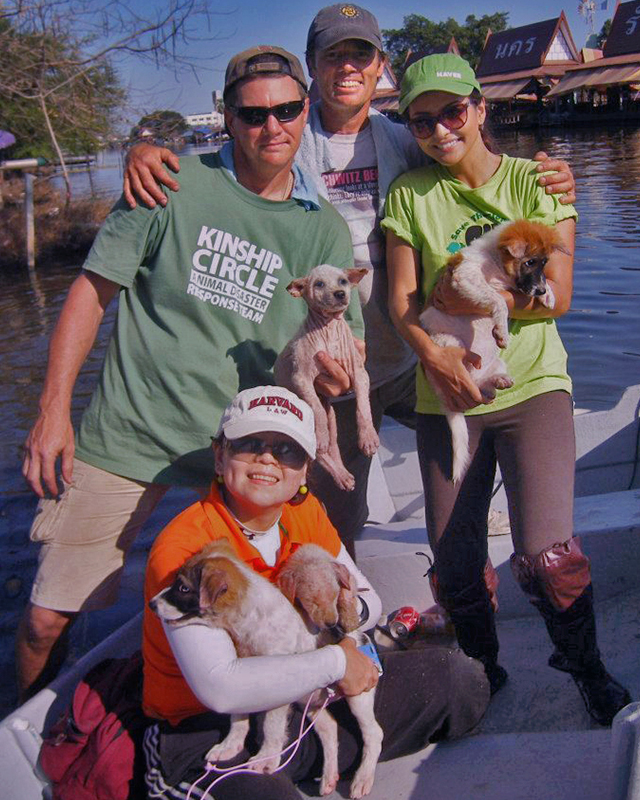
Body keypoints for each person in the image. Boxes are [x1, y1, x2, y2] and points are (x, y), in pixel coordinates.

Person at [122, 3, 578, 559]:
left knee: (479, 432)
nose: (347, 67)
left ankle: (488, 540)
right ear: (313, 66)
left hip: (414, 353)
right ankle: (347, 619)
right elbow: (224, 169)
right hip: (336, 364)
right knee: (337, 509)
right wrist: (144, 151)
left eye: (360, 54)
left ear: (378, 64)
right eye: (332, 55)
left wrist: (547, 174)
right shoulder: (285, 131)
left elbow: (467, 167)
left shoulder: (402, 139)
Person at [16, 46, 364, 701]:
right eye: (253, 114)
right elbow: (92, 291)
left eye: (288, 109)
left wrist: (337, 378)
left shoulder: (323, 232)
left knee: (271, 603)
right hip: (131, 432)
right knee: (42, 619)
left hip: (243, 453)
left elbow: (343, 355)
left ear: (305, 109)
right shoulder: (167, 182)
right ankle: (41, 742)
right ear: (227, 117)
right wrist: (52, 409)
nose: (273, 127)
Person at [381, 52, 632, 725]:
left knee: (547, 557)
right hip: (446, 394)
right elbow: (402, 300)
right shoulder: (409, 194)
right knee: (455, 566)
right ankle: (482, 672)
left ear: (480, 108)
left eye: (453, 111)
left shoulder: (537, 181)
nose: (440, 129)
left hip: (532, 385)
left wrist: (459, 303)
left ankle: (585, 667)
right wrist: (432, 352)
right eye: (423, 119)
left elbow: (559, 297)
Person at [142, 384, 490, 799]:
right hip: (210, 725)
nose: (268, 458)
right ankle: (284, 770)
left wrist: (336, 612)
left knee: (460, 679)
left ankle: (307, 757)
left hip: (305, 698)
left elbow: (368, 602)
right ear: (219, 456)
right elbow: (221, 687)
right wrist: (336, 662)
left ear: (306, 470)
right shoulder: (185, 551)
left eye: (287, 451)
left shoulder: (303, 511)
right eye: (249, 444)